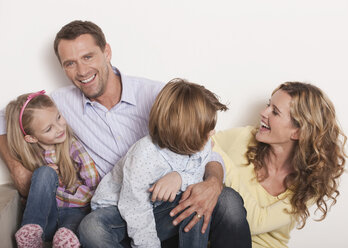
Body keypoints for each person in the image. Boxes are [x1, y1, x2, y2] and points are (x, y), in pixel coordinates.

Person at [0, 20, 251, 247]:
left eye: (88, 57)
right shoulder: (60, 105)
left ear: (106, 52)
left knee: (228, 201)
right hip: (119, 208)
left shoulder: (158, 96)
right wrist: (18, 169)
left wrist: (213, 183)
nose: (82, 71)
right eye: (70, 63)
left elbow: (204, 149)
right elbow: (5, 118)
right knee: (92, 228)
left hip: (170, 199)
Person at [81, 79, 228, 248]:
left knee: (196, 199)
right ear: (185, 133)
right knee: (91, 228)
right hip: (121, 210)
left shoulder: (202, 144)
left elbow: (199, 175)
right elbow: (136, 210)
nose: (213, 133)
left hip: (159, 209)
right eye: (207, 130)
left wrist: (179, 178)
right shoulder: (144, 155)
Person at [212, 82, 347, 248]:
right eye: (268, 105)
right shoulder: (243, 138)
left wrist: (220, 161)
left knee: (227, 198)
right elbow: (197, 146)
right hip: (217, 241)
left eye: (274, 112)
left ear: (298, 132)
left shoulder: (310, 183)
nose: (263, 113)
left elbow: (255, 223)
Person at [5, 91, 100, 248]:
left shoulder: (73, 147)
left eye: (58, 117)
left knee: (68, 230)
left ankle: (65, 241)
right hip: (46, 218)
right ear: (32, 138)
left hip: (75, 211)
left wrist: (69, 198)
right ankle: (31, 233)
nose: (59, 128)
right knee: (44, 173)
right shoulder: (32, 157)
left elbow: (93, 184)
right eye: (48, 129)